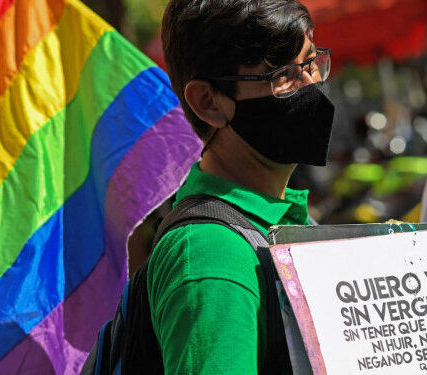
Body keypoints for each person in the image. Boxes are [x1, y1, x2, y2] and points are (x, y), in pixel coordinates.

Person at [147, 0, 335, 373]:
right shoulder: (213, 256)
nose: (310, 84)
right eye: (283, 75)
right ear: (209, 102)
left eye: (311, 63)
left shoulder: (276, 220)